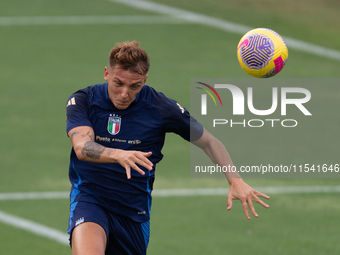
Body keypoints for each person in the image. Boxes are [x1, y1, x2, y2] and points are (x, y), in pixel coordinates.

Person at [66, 41, 270, 255]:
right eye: (118, 83)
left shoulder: (160, 108)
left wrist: (235, 179)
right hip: (90, 199)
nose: (125, 93)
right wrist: (118, 154)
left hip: (133, 212)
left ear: (145, 80)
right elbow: (82, 147)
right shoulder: (84, 100)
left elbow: (210, 142)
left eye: (135, 86)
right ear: (106, 73)